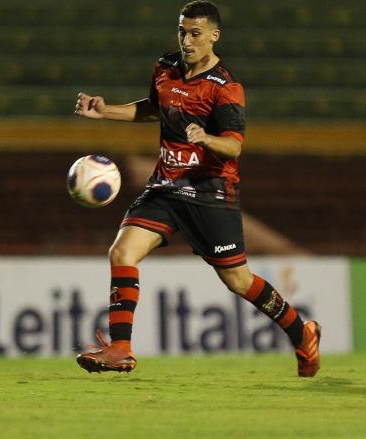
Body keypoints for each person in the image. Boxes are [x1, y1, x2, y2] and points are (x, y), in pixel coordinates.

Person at [73, 0, 321, 377]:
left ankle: (301, 333)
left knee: (238, 280)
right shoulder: (165, 67)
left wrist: (206, 137)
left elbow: (234, 145)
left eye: (196, 34)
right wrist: (106, 110)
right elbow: (156, 108)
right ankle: (121, 348)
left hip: (210, 192)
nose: (187, 40)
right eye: (182, 31)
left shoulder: (226, 89)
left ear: (213, 36)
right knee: (122, 251)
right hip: (166, 187)